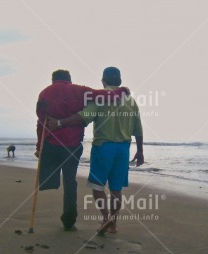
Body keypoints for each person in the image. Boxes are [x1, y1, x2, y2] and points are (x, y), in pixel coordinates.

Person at [48, 67, 144, 234]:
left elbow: (83, 117)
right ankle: (113, 224)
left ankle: (106, 219)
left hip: (103, 147)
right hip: (123, 149)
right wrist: (140, 151)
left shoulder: (101, 99)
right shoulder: (131, 101)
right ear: (119, 80)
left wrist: (59, 123)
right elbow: (138, 129)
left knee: (97, 186)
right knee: (116, 189)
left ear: (103, 81)